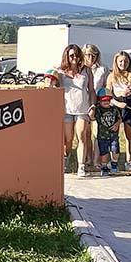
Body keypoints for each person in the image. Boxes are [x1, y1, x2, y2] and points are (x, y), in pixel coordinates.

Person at [54, 44, 95, 178]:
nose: (75, 58)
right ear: (66, 56)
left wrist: (93, 106)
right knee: (68, 138)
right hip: (67, 109)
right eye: (72, 55)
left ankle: (81, 166)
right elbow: (54, 87)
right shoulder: (60, 72)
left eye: (77, 55)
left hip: (83, 108)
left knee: (81, 136)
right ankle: (66, 157)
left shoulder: (86, 70)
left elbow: (91, 90)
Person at [105, 51, 131, 172]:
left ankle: (129, 161)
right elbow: (107, 95)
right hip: (116, 106)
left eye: (126, 61)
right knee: (113, 135)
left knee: (129, 135)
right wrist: (118, 102)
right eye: (120, 61)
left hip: (130, 106)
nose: (123, 63)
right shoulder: (111, 76)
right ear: (116, 62)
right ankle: (114, 160)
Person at [92, 94, 123, 176]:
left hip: (113, 135)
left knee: (115, 150)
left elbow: (120, 118)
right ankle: (104, 167)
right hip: (102, 135)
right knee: (104, 152)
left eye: (108, 100)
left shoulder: (114, 109)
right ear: (99, 101)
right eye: (103, 100)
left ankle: (114, 163)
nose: (106, 102)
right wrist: (93, 107)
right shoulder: (98, 110)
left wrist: (117, 124)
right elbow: (92, 117)